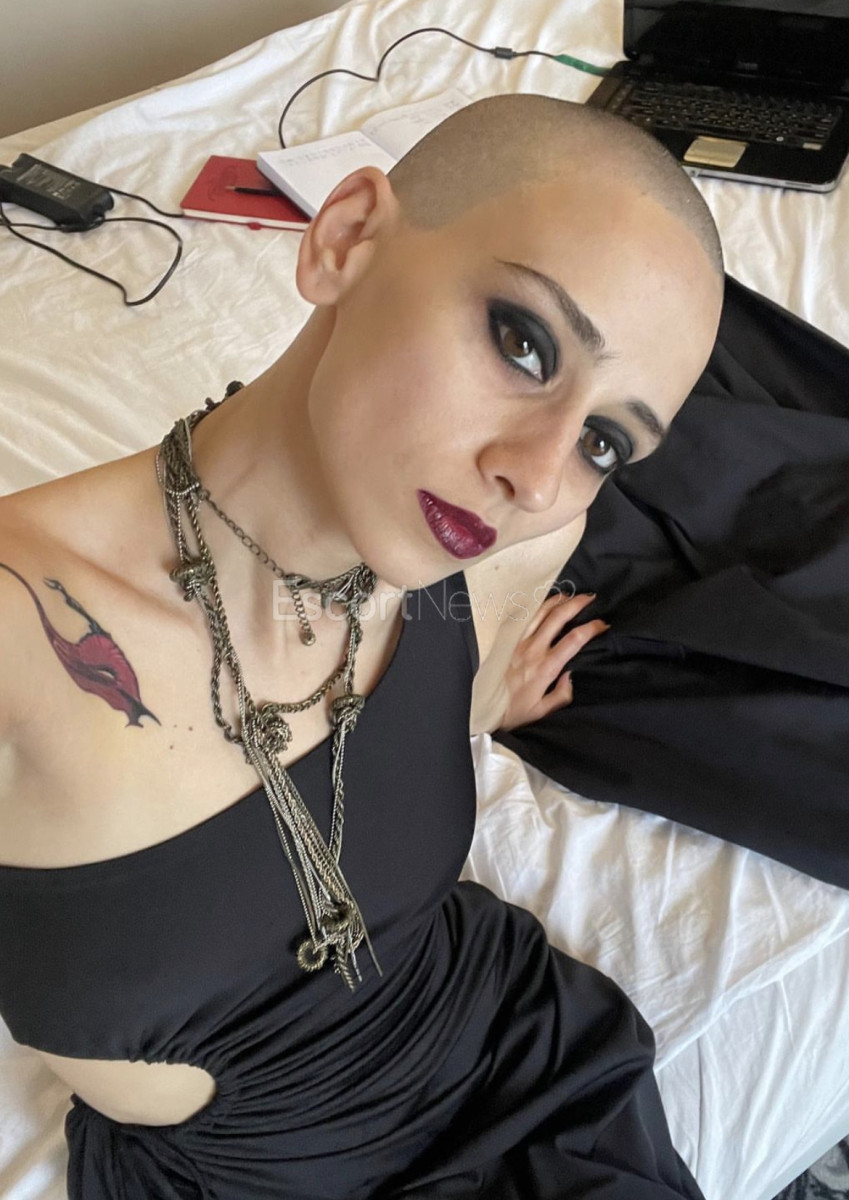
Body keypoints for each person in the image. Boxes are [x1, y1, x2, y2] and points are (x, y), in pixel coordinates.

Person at [0, 93, 723, 1198]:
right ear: (343, 239)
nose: (537, 478)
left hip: (520, 1075)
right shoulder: (23, 629)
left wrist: (478, 706)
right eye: (524, 342)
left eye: (603, 441)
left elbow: (370, 759)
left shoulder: (477, 554)